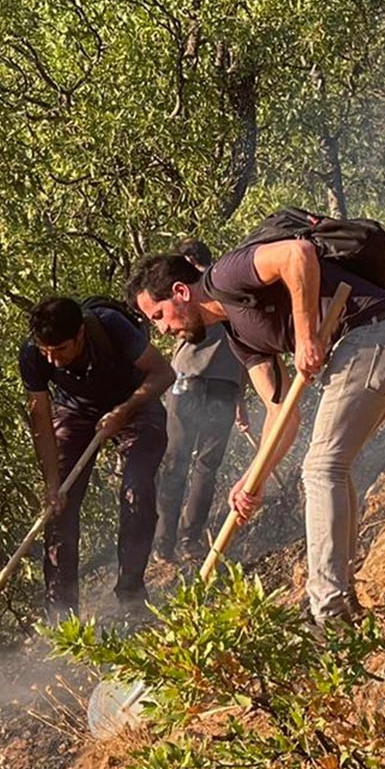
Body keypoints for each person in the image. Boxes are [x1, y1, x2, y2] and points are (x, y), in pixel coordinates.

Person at [127, 239, 385, 625]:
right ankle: (339, 595)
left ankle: (328, 609)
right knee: (331, 465)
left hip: (379, 334)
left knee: (321, 468)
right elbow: (281, 411)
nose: (164, 328)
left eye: (159, 316)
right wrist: (254, 477)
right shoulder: (241, 336)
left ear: (181, 292)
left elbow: (297, 253)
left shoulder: (226, 276)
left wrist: (305, 337)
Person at [19, 296, 173, 617]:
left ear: (80, 335)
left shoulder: (110, 327)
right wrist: (51, 483)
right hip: (75, 412)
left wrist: (124, 410)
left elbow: (163, 374)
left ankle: (131, 596)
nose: (53, 360)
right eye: (45, 351)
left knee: (137, 491)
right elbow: (42, 423)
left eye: (60, 349)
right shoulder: (33, 355)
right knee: (58, 507)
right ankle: (62, 616)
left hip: (134, 404)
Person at [154, 241, 250, 566]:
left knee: (183, 462)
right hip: (214, 380)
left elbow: (246, 340)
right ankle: (179, 541)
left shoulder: (197, 292)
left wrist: (240, 398)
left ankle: (174, 542)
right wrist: (242, 396)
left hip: (201, 380)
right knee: (193, 464)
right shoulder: (223, 289)